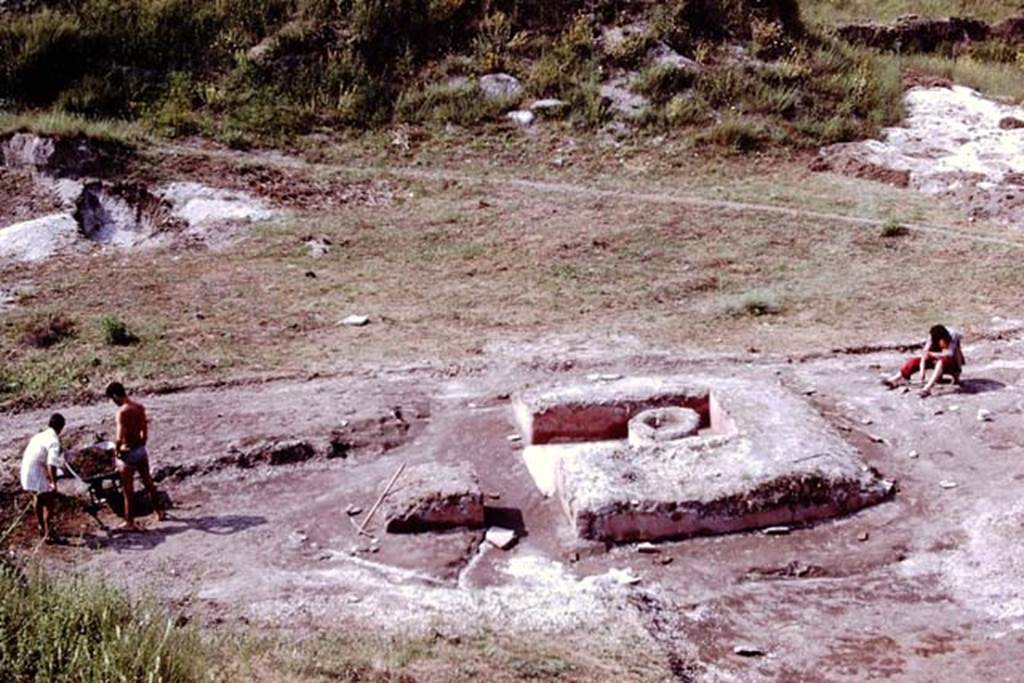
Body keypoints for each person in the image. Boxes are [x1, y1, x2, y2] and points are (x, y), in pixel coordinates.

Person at [106, 382, 165, 530]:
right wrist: (141, 443)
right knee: (148, 482)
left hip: (128, 452)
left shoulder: (122, 412)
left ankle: (129, 522)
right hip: (140, 450)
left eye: (113, 399)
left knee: (128, 490)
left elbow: (119, 438)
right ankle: (160, 511)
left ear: (115, 396)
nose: (114, 403)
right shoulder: (139, 407)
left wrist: (117, 452)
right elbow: (144, 431)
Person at [882, 325, 965, 398]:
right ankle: (894, 379)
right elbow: (924, 353)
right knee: (913, 361)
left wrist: (931, 354)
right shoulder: (932, 337)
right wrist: (922, 370)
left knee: (941, 361)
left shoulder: (953, 335)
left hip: (951, 363)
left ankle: (927, 388)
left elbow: (949, 354)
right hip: (935, 358)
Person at [20, 413, 66, 543]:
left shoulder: (40, 435)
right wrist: (53, 483)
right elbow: (51, 464)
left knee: (37, 497)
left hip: (26, 470)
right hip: (36, 472)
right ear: (61, 427)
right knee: (50, 502)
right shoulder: (54, 441)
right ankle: (50, 533)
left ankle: (41, 526)